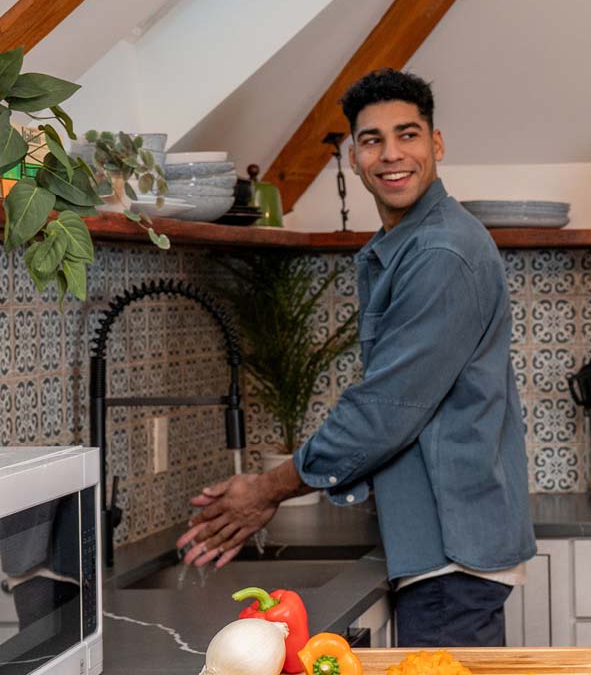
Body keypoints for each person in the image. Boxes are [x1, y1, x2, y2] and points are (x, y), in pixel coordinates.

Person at [176, 68, 536, 647]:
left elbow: (385, 411)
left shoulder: (441, 251)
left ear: (436, 144)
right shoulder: (407, 244)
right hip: (441, 546)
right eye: (372, 140)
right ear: (352, 156)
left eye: (409, 135)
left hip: (449, 554)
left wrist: (268, 488)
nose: (391, 155)